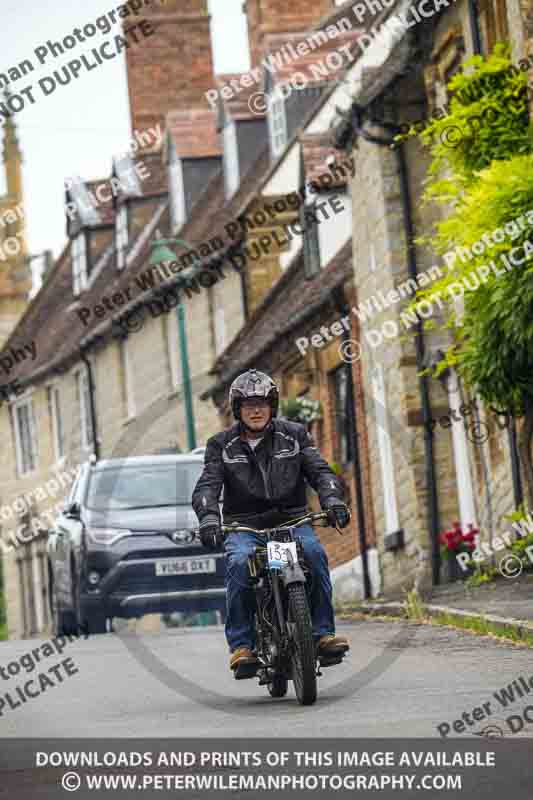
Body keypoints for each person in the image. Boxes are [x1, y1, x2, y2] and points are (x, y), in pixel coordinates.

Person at [192, 369, 351, 675]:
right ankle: (242, 645)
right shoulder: (220, 445)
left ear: (272, 406)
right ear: (237, 409)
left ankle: (322, 635)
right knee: (238, 563)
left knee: (315, 555)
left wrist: (331, 500)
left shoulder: (294, 435)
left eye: (262, 403)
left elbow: (320, 471)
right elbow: (207, 486)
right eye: (248, 404)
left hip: (292, 521)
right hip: (245, 528)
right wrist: (210, 516)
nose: (255, 410)